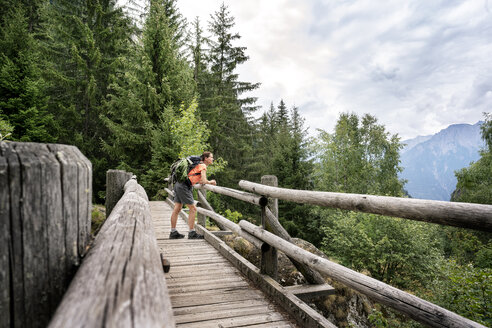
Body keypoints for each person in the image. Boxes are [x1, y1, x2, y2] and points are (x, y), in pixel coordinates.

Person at [169, 151, 216, 239]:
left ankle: (173, 232)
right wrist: (211, 182)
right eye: (211, 157)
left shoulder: (197, 165)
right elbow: (204, 181)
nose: (212, 159)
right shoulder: (202, 166)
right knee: (193, 209)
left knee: (177, 208)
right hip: (184, 186)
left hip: (178, 184)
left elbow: (197, 178)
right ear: (206, 158)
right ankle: (192, 233)